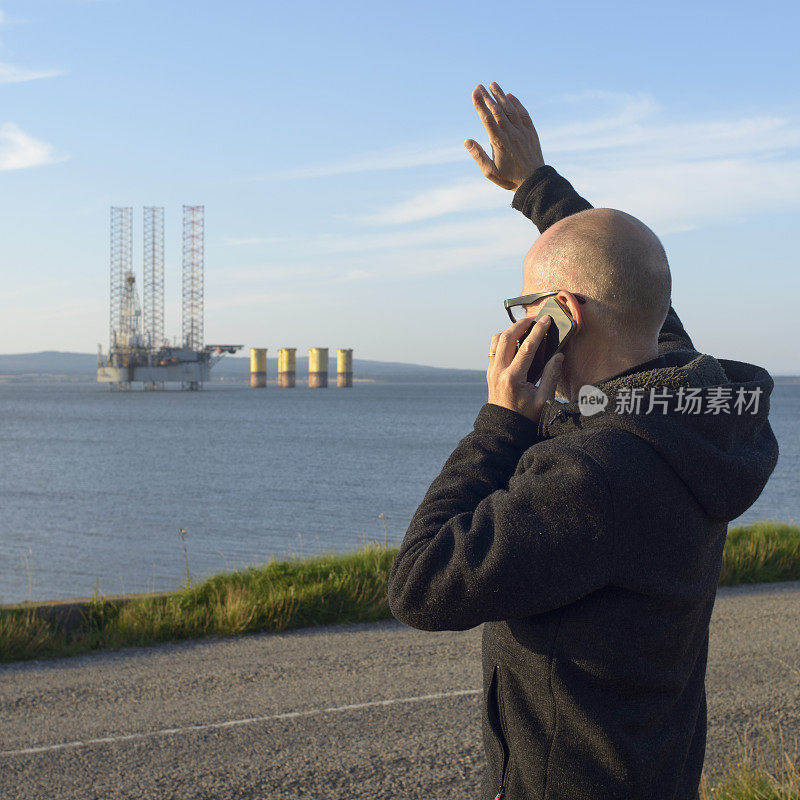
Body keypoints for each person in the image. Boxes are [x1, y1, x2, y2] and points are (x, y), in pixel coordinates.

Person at [386, 82, 779, 800]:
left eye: (528, 310)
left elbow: (421, 585)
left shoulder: (593, 476)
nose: (520, 327)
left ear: (561, 316)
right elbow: (625, 282)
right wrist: (536, 187)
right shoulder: (696, 412)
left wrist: (500, 424)